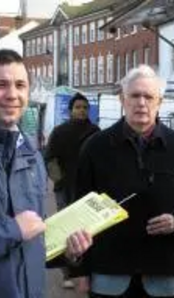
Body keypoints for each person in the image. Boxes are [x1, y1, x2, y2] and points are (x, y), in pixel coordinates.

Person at [0, 49, 92, 298]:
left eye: (20, 85)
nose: (13, 94)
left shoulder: (29, 150)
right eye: (1, 85)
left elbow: (32, 231)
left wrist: (66, 251)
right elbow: (20, 229)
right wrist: (12, 230)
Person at [74, 64, 174, 298]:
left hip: (167, 275)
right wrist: (79, 271)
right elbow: (77, 210)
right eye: (135, 95)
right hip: (110, 274)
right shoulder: (95, 148)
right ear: (122, 99)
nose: (141, 103)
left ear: (159, 102)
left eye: (148, 96)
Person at [45, 92, 100, 288]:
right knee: (66, 230)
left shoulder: (96, 131)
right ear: (70, 111)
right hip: (66, 188)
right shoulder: (59, 132)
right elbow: (50, 158)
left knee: (89, 228)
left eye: (85, 107)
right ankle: (67, 274)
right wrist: (59, 180)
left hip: (88, 188)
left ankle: (88, 269)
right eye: (78, 107)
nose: (82, 111)